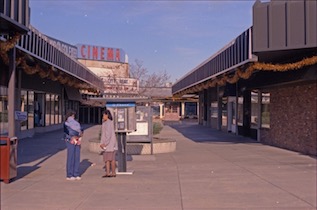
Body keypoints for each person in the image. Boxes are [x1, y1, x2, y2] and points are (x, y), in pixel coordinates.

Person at [64, 109, 83, 181]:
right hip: (71, 140)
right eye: (73, 115)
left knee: (76, 156)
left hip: (76, 140)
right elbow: (69, 133)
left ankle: (75, 173)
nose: (73, 117)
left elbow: (81, 130)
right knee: (72, 156)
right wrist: (77, 134)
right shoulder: (66, 123)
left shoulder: (75, 123)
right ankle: (70, 174)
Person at [100, 109, 118, 178]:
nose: (103, 116)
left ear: (107, 115)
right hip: (107, 144)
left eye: (104, 115)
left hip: (110, 144)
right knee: (107, 159)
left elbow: (108, 135)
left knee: (111, 159)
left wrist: (105, 143)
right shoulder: (105, 123)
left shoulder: (109, 123)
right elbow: (103, 134)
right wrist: (102, 143)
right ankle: (108, 173)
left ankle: (113, 172)